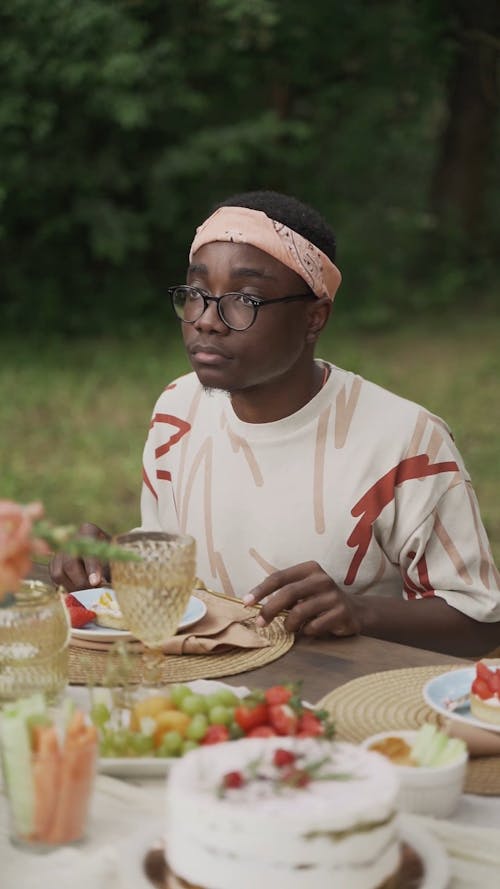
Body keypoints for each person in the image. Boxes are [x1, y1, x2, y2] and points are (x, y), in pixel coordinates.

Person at [51, 190, 500, 656]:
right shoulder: (177, 410)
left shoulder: (406, 442)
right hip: (201, 695)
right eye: (196, 294)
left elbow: (484, 623)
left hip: (343, 706)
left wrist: (361, 612)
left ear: (313, 318)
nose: (207, 320)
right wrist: (112, 567)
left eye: (245, 299)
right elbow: (178, 582)